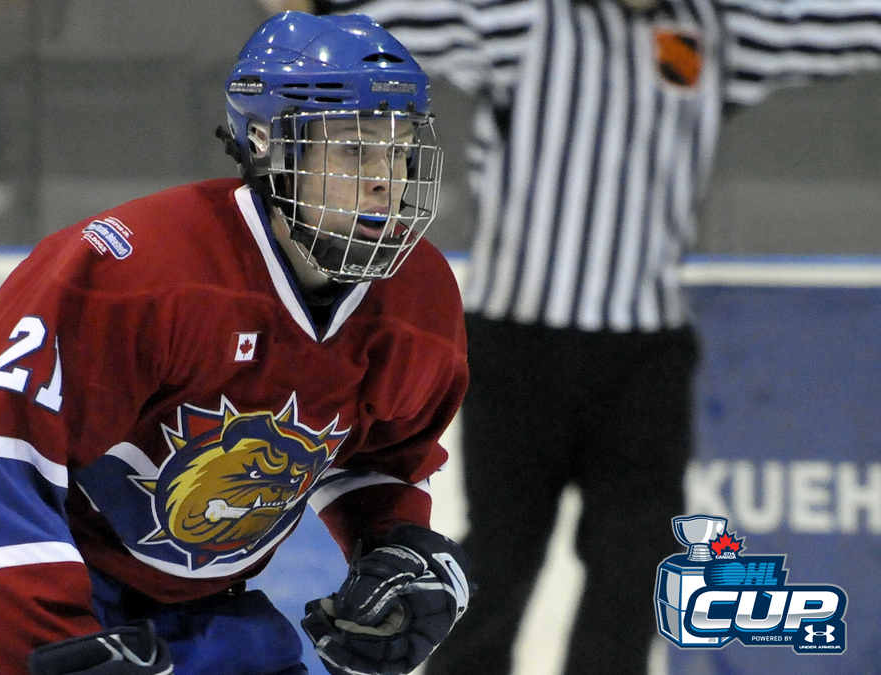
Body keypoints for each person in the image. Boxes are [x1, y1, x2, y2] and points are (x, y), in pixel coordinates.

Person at [281, 1, 881, 674]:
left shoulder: (716, 27)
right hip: (521, 344)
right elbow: (393, 22)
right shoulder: (530, 20)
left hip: (643, 352)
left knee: (633, 561)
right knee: (503, 554)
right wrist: (316, 13)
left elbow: (826, 24)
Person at [0, 11, 476, 675]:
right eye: (355, 150)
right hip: (32, 600)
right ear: (268, 143)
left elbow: (383, 454)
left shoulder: (419, 297)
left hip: (209, 617)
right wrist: (56, 642)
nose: (386, 179)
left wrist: (393, 546)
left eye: (399, 150)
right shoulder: (135, 273)